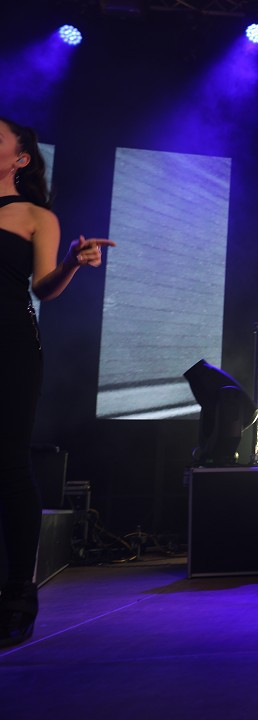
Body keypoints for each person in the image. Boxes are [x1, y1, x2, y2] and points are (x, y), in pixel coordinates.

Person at [0, 117, 115, 648]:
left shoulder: (34, 215)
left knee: (7, 461)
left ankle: (18, 592)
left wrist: (71, 260)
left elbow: (44, 288)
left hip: (9, 345)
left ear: (21, 158)